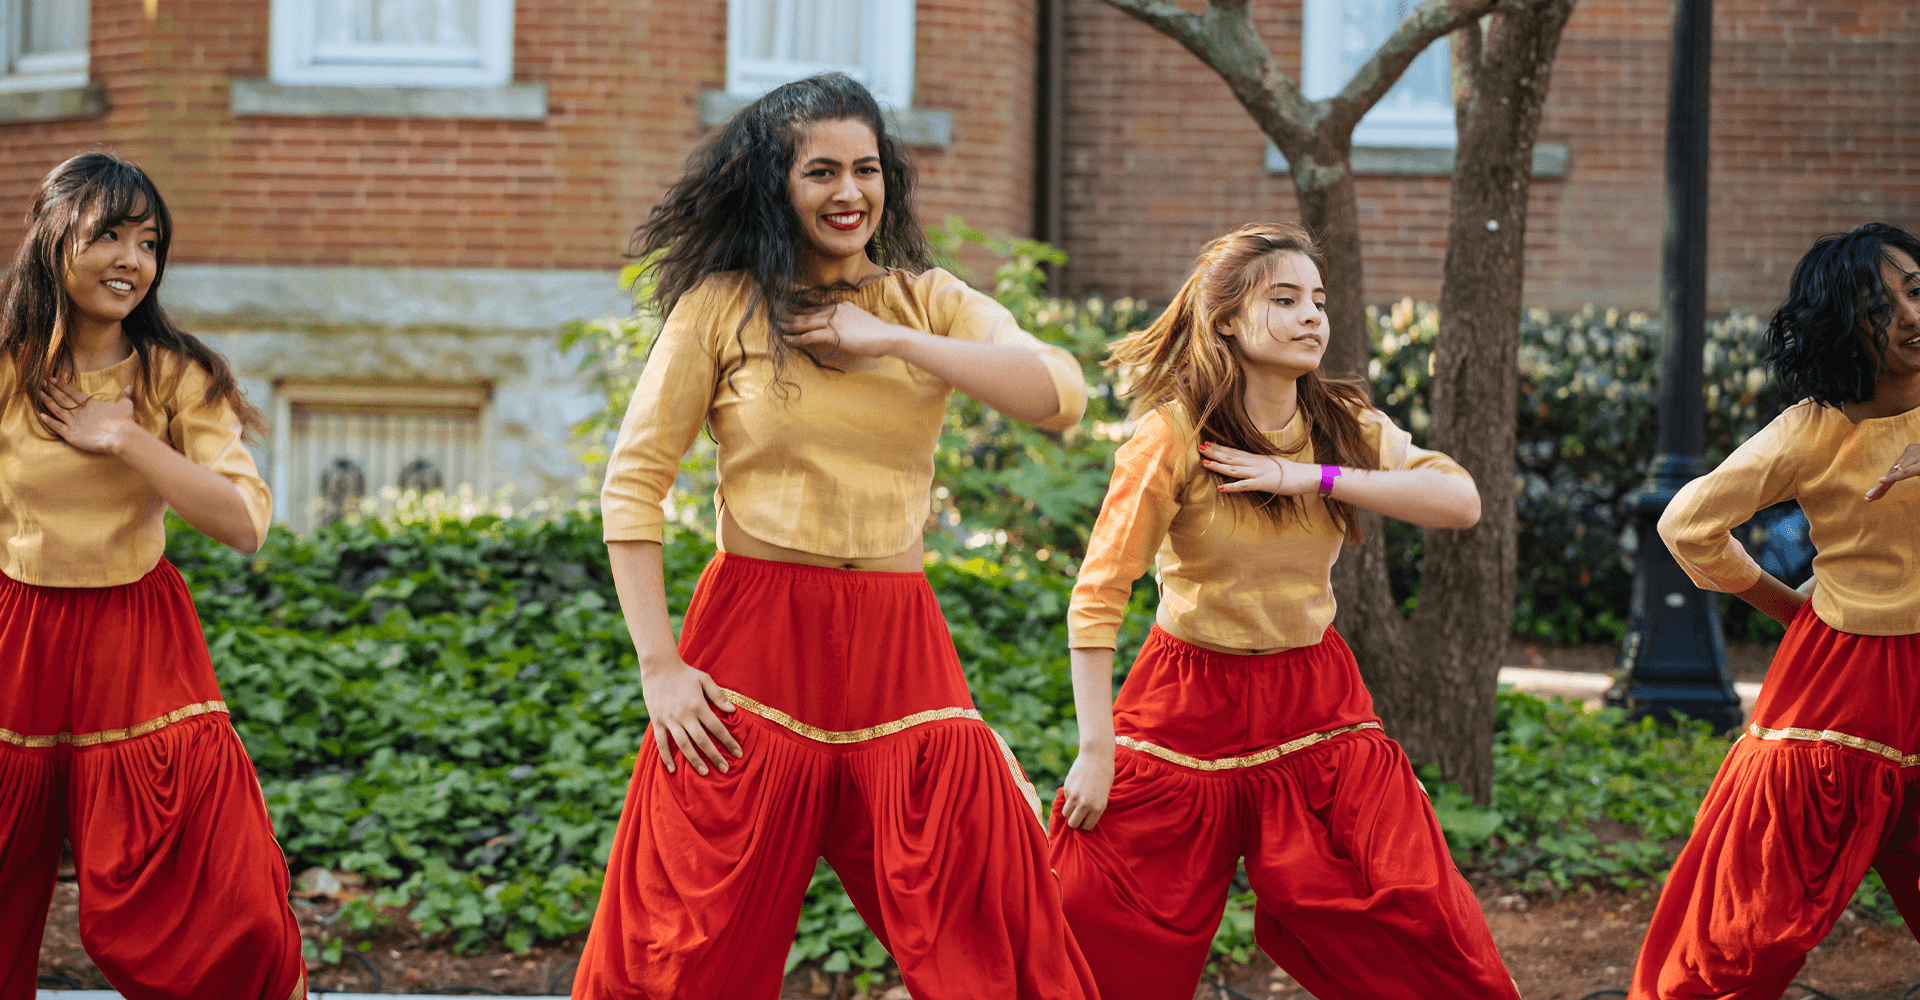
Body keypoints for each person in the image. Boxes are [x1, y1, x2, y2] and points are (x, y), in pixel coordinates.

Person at [572, 73, 1101, 1000]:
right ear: (776, 183)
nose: (848, 192)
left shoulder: (926, 302)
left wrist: (888, 339)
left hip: (899, 648)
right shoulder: (721, 307)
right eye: (820, 171)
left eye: (866, 169)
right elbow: (633, 489)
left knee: (983, 913)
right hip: (754, 643)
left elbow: (1060, 394)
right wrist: (659, 667)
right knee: (685, 936)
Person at [1049, 222, 1521, 1000]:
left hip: (1315, 705)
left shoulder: (1343, 426)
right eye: (1286, 299)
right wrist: (1096, 751)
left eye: (1319, 300)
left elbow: (1460, 500)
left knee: (1415, 901)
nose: (1313, 317)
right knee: (1089, 909)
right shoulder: (1171, 436)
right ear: (1228, 318)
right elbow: (1099, 595)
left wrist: (1315, 478)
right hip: (1185, 703)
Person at [0, 153, 301, 1000]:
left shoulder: (176, 374)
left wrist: (125, 437)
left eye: (150, 242)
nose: (132, 260)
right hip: (13, 636)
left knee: (209, 895)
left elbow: (245, 523)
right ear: (54, 237)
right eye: (109, 236)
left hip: (136, 642)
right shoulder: (6, 365)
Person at [1632, 222, 1920, 999]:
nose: (1912, 315)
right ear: (1842, 325)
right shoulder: (1811, 429)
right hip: (1842, 682)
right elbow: (1686, 523)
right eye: (1879, 304)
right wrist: (1787, 606)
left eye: (1917, 290)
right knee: (1763, 898)